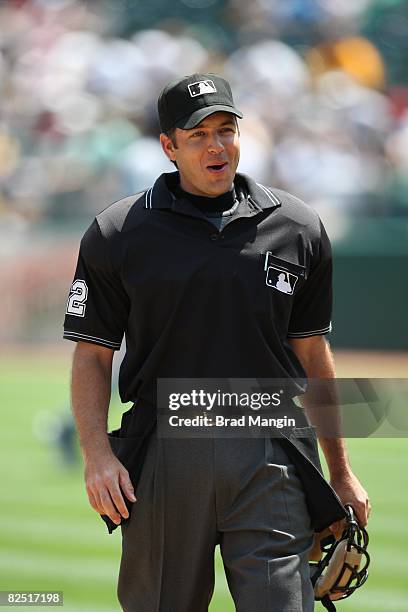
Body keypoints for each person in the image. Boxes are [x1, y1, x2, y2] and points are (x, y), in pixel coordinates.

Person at [63, 73, 370, 612]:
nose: (216, 146)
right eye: (199, 134)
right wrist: (96, 455)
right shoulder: (118, 232)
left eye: (226, 130)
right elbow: (91, 353)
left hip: (270, 449)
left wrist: (341, 472)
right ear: (168, 145)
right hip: (163, 453)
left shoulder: (296, 226)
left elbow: (313, 355)